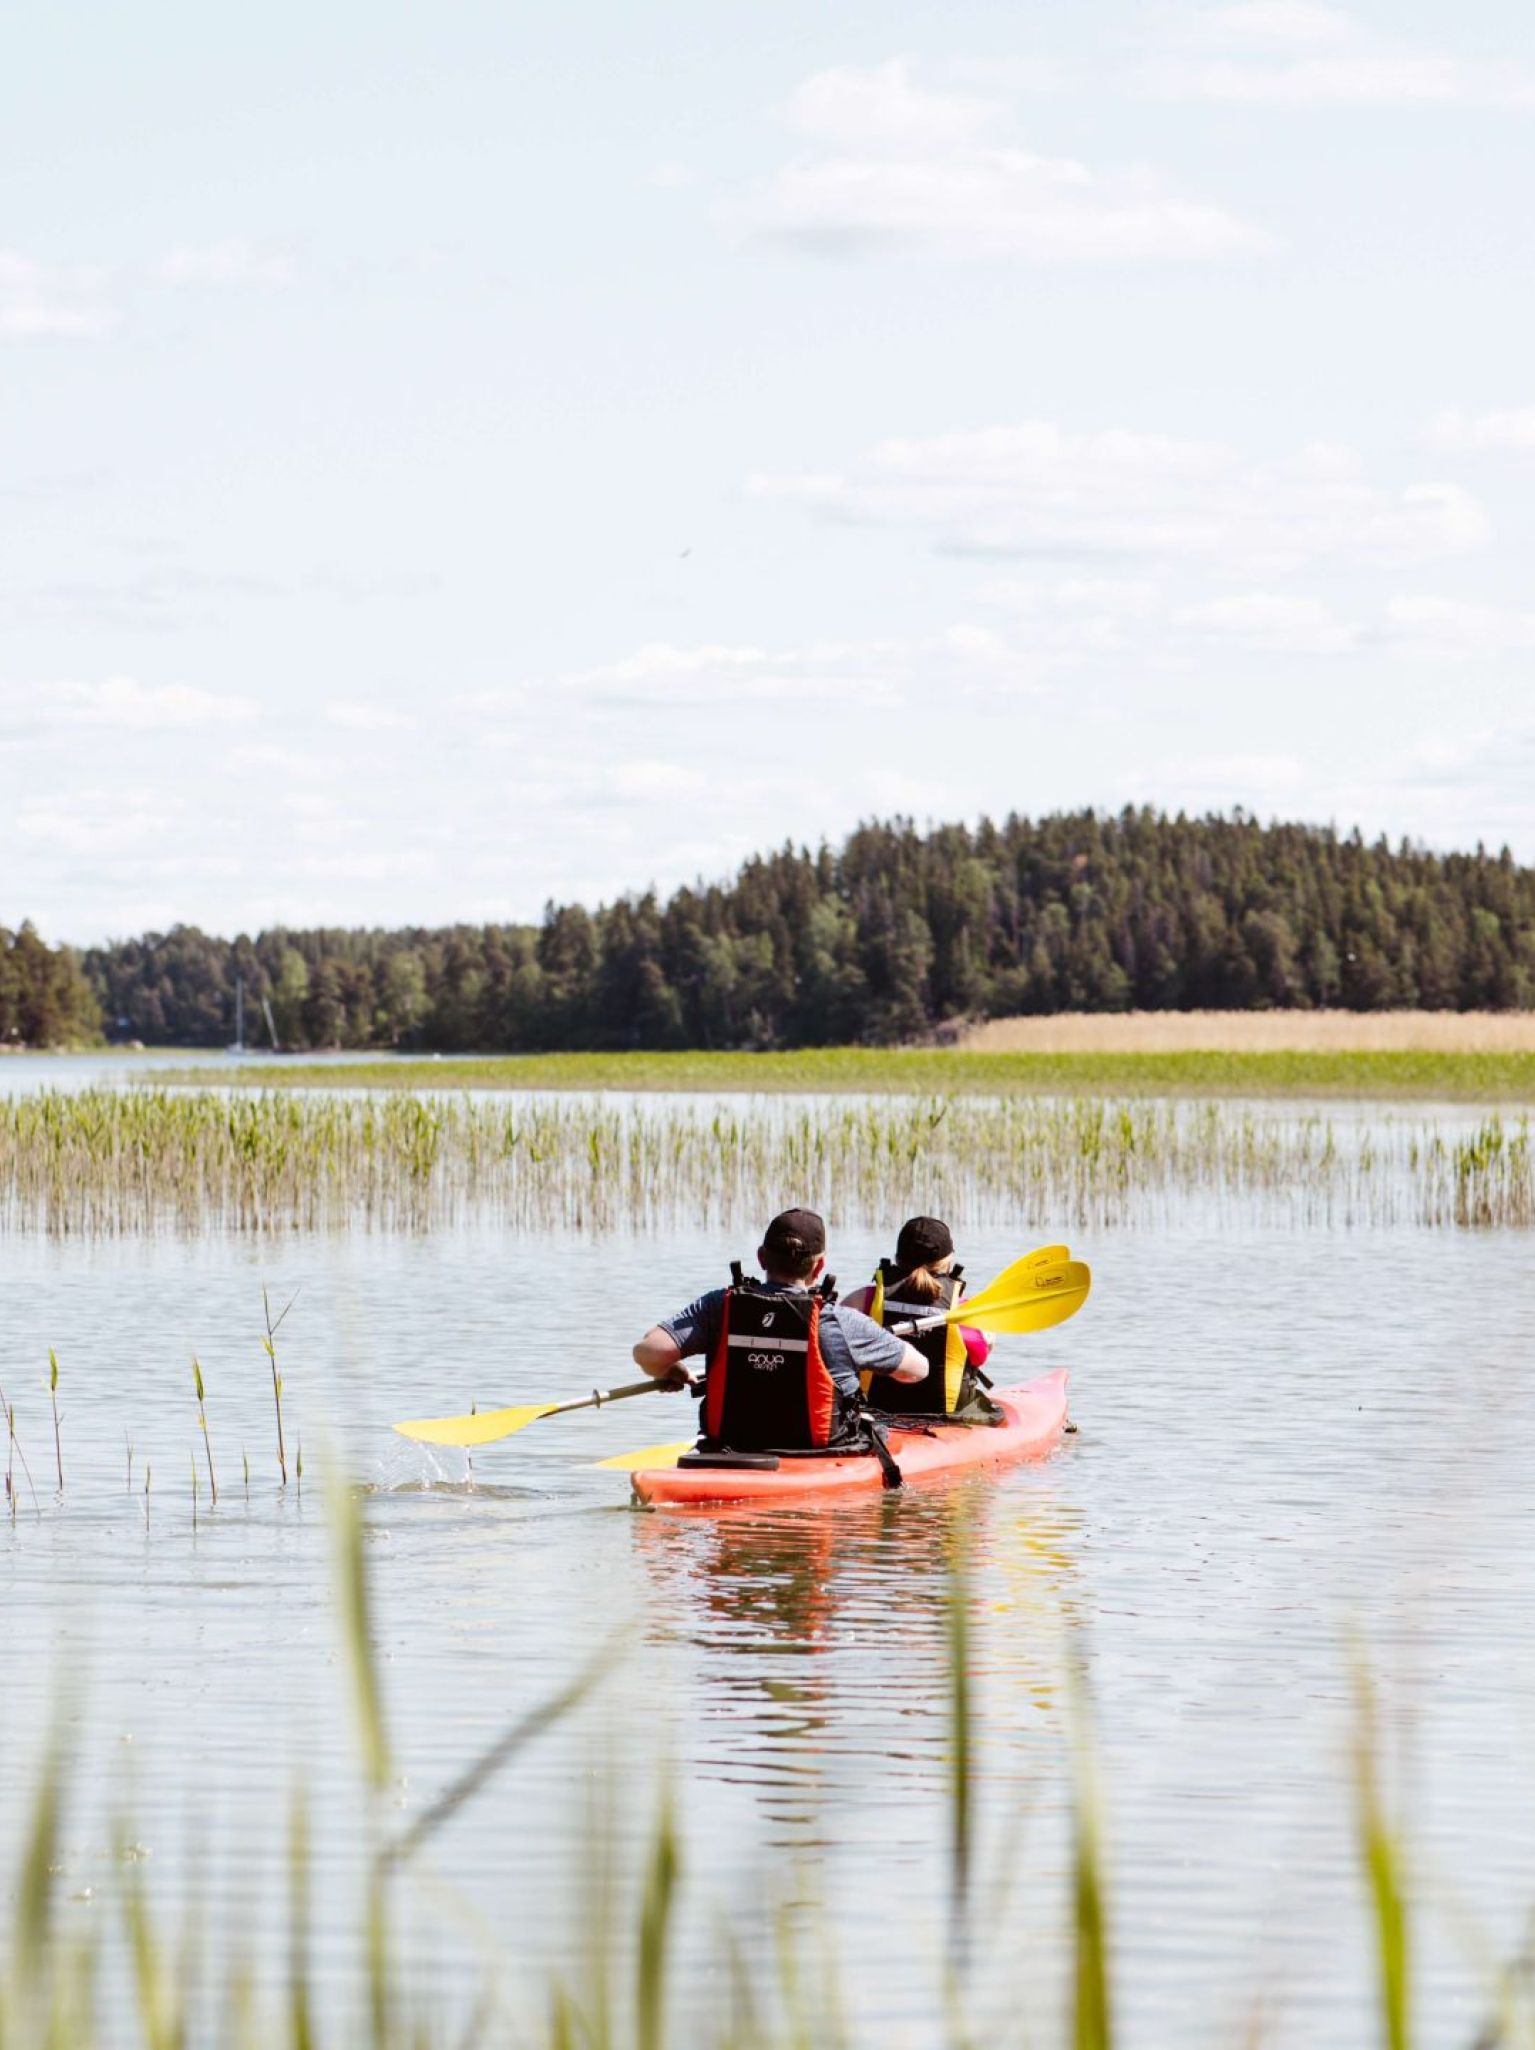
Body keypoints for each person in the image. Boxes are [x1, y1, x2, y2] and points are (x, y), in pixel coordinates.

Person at [632, 1207, 928, 1460]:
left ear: (761, 1258)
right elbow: (918, 1370)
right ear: (820, 1265)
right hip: (820, 1455)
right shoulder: (840, 1321)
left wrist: (672, 1368)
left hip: (730, 1450)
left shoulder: (718, 1307)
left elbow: (648, 1352)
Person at [839, 1215, 1002, 1424]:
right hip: (943, 1416)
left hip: (874, 1410)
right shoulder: (965, 1310)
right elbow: (980, 1356)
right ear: (948, 1262)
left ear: (897, 1258)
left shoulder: (862, 1299)